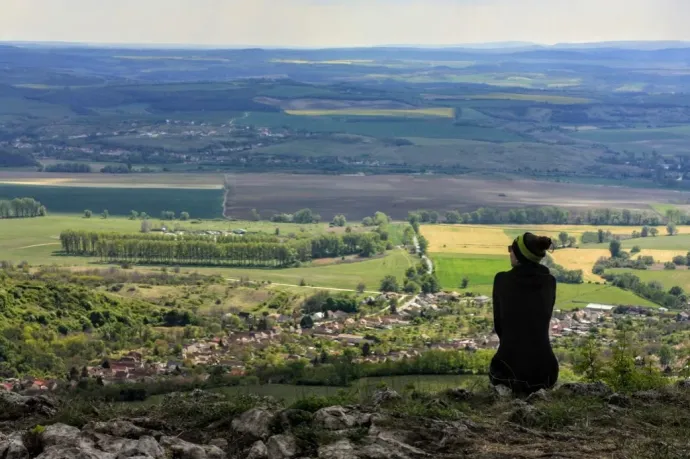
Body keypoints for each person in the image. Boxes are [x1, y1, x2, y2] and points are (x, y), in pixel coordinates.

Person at [490, 232, 559, 395]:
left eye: (511, 249)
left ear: (519, 255)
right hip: (545, 372)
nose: (509, 253)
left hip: (507, 370)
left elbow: (499, 326)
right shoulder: (550, 282)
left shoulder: (502, 281)